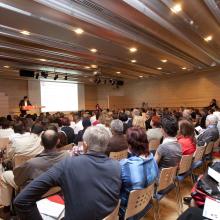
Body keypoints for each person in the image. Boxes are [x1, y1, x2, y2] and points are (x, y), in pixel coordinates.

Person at [14, 126, 121, 220]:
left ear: (85, 145)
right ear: (106, 146)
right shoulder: (117, 166)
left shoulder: (68, 164)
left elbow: (21, 200)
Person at [0, 130, 69, 219]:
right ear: (58, 141)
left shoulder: (31, 163)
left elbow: (18, 181)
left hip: (34, 190)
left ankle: (6, 209)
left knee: (5, 175)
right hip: (55, 188)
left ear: (41, 143)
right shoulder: (66, 155)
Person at [119, 127, 158, 219]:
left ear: (130, 146)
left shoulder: (125, 165)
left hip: (126, 208)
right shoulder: (153, 159)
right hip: (146, 202)